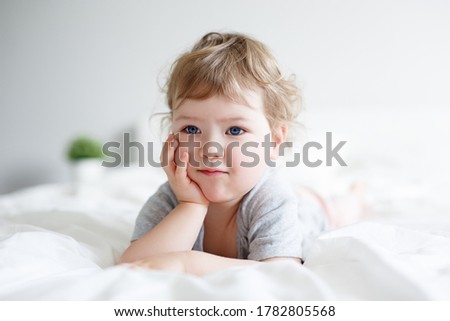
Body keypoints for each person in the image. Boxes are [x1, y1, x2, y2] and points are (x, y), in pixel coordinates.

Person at [118, 32, 363, 275]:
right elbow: (133, 266)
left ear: (274, 142)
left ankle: (355, 195)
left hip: (308, 209)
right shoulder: (170, 199)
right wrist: (191, 205)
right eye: (191, 129)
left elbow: (281, 271)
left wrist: (188, 263)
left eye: (235, 130)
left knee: (339, 210)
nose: (211, 149)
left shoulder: (271, 199)